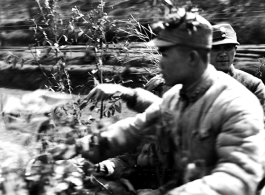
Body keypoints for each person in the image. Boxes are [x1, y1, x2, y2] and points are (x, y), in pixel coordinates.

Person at [50, 8, 265, 195]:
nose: (159, 64)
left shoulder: (236, 104)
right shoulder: (181, 94)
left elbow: (236, 177)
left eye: (167, 56)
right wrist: (76, 149)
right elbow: (134, 130)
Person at [210, 23, 265, 114]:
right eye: (216, 48)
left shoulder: (253, 86)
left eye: (228, 48)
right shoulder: (193, 84)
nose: (223, 54)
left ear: (235, 50)